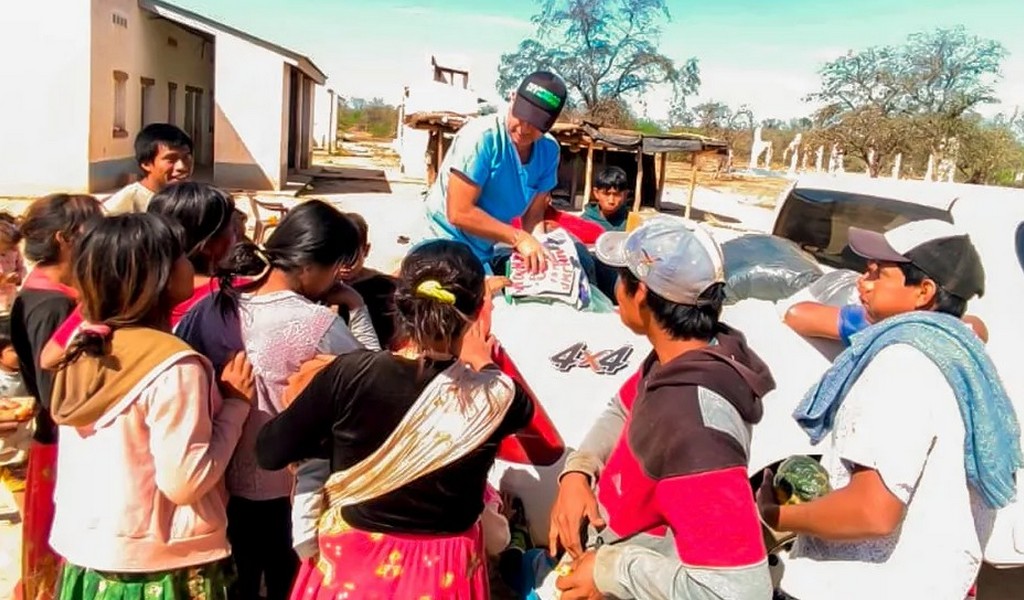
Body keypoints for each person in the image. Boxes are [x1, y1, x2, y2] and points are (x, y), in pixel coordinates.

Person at [255, 239, 534, 599]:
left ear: (400, 304)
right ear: (478, 312)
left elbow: (270, 451)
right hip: (444, 575)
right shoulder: (498, 396)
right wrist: (482, 359)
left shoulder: (349, 375)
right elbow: (523, 408)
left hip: (354, 569)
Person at [761, 220, 1020, 600]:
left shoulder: (902, 365)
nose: (862, 283)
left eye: (877, 274)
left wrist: (777, 515)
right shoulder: (960, 354)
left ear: (924, 292)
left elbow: (872, 512)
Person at [547, 216, 775, 600]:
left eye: (620, 278)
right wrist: (579, 470)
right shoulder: (684, 357)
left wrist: (610, 571)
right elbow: (623, 409)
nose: (615, 289)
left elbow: (739, 592)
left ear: (640, 293)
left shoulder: (698, 429)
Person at [176, 199, 379, 600]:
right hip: (289, 489)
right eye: (334, 268)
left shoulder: (213, 304)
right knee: (288, 584)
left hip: (217, 479)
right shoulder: (316, 323)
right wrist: (356, 306)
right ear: (309, 267)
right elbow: (373, 376)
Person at [46, 213, 254, 600]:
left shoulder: (83, 344)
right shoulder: (174, 366)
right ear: (158, 277)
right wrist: (235, 408)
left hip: (88, 550)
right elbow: (185, 482)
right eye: (180, 256)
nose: (189, 263)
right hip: (159, 568)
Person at [39, 182, 239, 372]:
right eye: (232, 227)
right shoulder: (235, 292)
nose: (237, 234)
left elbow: (50, 358)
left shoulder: (114, 294)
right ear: (208, 245)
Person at [10, 193, 103, 600]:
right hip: (62, 446)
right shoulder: (52, 305)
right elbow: (57, 396)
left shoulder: (47, 293)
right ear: (66, 239)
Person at [423, 71, 568, 276]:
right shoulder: (481, 138)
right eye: (521, 116)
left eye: (537, 123)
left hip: (481, 254)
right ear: (513, 98)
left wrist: (538, 249)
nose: (525, 128)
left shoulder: (549, 151)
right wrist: (518, 238)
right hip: (440, 245)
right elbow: (459, 212)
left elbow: (534, 214)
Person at [339, 212, 399, 349]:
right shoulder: (317, 290)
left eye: (352, 255)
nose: (345, 264)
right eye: (338, 255)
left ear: (365, 250)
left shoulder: (387, 289)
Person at [103, 123, 193, 215]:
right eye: (171, 159)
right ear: (146, 164)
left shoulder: (195, 198)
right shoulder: (124, 205)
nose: (182, 167)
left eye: (186, 157)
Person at [0, 315, 30, 518]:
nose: (19, 353)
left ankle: (28, 521)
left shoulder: (28, 373)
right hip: (4, 443)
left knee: (22, 486)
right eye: (13, 350)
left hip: (18, 445)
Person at [581, 166, 630, 232]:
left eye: (617, 195)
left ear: (625, 194)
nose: (611, 201)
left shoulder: (632, 222)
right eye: (606, 194)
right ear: (596, 193)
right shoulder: (583, 223)